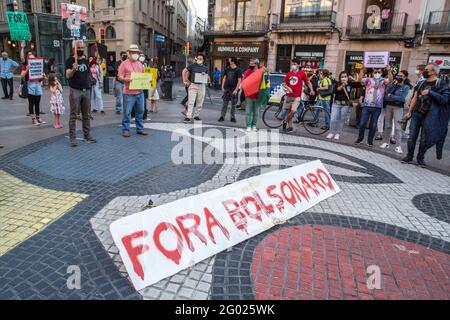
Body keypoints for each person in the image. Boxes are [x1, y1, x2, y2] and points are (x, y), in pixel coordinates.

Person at [402, 63, 450, 167]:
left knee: (424, 138)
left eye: (427, 70)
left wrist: (430, 92)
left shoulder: (441, 84)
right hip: (416, 113)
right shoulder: (421, 83)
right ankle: (409, 156)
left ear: (433, 72)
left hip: (430, 116)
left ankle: (420, 158)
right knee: (412, 136)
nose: (424, 71)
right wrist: (409, 111)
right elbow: (415, 97)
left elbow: (445, 99)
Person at [66, 40, 97, 147]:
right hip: (75, 90)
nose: (80, 50)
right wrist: (73, 70)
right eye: (78, 48)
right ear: (74, 48)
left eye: (82, 48)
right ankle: (73, 138)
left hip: (86, 90)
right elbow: (68, 76)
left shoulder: (85, 59)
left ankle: (87, 134)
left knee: (86, 115)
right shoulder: (70, 60)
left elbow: (88, 73)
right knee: (74, 115)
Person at [355, 65, 394, 147]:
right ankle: (360, 138)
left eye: (379, 72)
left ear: (381, 73)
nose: (377, 73)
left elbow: (390, 80)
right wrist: (362, 70)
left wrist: (389, 70)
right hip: (367, 105)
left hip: (377, 107)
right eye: (375, 72)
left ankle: (370, 141)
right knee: (362, 123)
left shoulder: (383, 80)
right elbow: (359, 80)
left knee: (373, 125)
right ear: (373, 73)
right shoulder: (369, 79)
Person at [118, 44, 148, 138]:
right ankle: (126, 129)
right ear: (129, 53)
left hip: (139, 92)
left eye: (137, 53)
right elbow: (120, 76)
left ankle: (140, 128)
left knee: (141, 111)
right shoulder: (124, 64)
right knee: (127, 112)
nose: (135, 54)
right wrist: (126, 79)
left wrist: (147, 81)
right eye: (134, 52)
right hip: (129, 92)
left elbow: (143, 75)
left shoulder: (140, 64)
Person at [378, 70, 412, 154]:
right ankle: (386, 142)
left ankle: (398, 146)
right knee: (387, 126)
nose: (399, 77)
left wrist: (392, 96)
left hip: (398, 108)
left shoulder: (406, 87)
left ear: (405, 77)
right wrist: (393, 89)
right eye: (398, 75)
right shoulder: (393, 85)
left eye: (401, 76)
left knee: (397, 127)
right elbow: (386, 96)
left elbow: (402, 98)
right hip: (388, 106)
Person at [281, 58, 314, 133]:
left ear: (299, 65)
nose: (293, 65)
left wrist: (311, 89)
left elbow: (308, 82)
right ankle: (290, 127)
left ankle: (285, 121)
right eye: (292, 64)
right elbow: (284, 83)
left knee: (293, 111)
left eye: (295, 64)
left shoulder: (302, 73)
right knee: (289, 112)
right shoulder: (289, 74)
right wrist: (288, 87)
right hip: (288, 95)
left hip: (297, 96)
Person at [328, 71, 361, 140]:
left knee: (341, 119)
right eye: (342, 77)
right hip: (336, 104)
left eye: (345, 76)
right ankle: (331, 132)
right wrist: (342, 85)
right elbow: (334, 92)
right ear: (340, 77)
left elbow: (359, 84)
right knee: (333, 119)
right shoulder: (337, 83)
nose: (344, 78)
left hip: (345, 105)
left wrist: (354, 78)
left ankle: (338, 133)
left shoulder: (350, 84)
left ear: (347, 77)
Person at [242, 58, 270, 132]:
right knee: (248, 112)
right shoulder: (247, 72)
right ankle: (248, 125)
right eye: (250, 63)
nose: (250, 65)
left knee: (256, 112)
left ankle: (254, 125)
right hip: (249, 96)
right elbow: (244, 82)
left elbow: (266, 80)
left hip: (258, 96)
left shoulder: (262, 72)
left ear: (256, 64)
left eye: (252, 63)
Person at [184, 53, 209, 123]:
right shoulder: (192, 66)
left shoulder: (205, 68)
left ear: (203, 60)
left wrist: (205, 75)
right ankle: (188, 116)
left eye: (201, 59)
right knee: (191, 101)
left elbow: (208, 78)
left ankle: (196, 115)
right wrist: (186, 80)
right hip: (193, 85)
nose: (199, 60)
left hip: (201, 86)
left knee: (200, 102)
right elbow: (185, 71)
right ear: (196, 58)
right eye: (198, 58)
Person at [21, 52, 45, 126]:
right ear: (28, 59)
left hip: (37, 84)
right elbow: (22, 76)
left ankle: (38, 117)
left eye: (33, 58)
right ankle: (33, 119)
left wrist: (43, 75)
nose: (32, 59)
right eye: (30, 58)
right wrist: (27, 69)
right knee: (31, 103)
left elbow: (41, 75)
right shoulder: (25, 66)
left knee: (37, 102)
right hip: (30, 84)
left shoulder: (38, 64)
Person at [219, 57, 242, 123]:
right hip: (226, 88)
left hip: (233, 89)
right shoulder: (227, 68)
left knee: (233, 105)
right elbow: (224, 78)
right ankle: (222, 116)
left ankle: (232, 117)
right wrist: (222, 87)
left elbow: (239, 80)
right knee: (224, 104)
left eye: (229, 60)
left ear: (233, 61)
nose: (228, 61)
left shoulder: (238, 70)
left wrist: (236, 89)